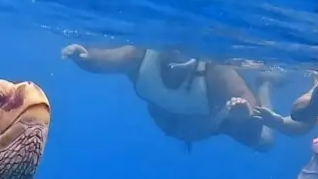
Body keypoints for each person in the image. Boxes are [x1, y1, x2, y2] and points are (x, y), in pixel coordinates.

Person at [61, 44, 288, 151]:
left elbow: (247, 109)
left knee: (265, 141)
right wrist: (84, 57)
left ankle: (265, 84)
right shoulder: (138, 56)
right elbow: (105, 60)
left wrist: (242, 115)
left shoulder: (216, 72)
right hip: (173, 125)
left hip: (211, 125)